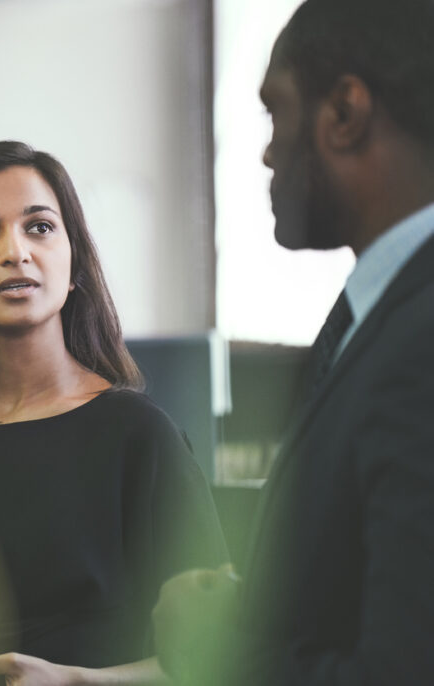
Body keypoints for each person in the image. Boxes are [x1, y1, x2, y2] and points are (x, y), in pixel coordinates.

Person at [0, 141, 227, 686]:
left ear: (74, 262)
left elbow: (220, 662)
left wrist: (75, 682)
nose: (16, 251)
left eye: (40, 227)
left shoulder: (139, 438)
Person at [152, 1, 434, 684]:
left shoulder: (418, 344)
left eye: (274, 113)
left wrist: (216, 648)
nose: (267, 150)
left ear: (343, 114)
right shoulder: (380, 315)